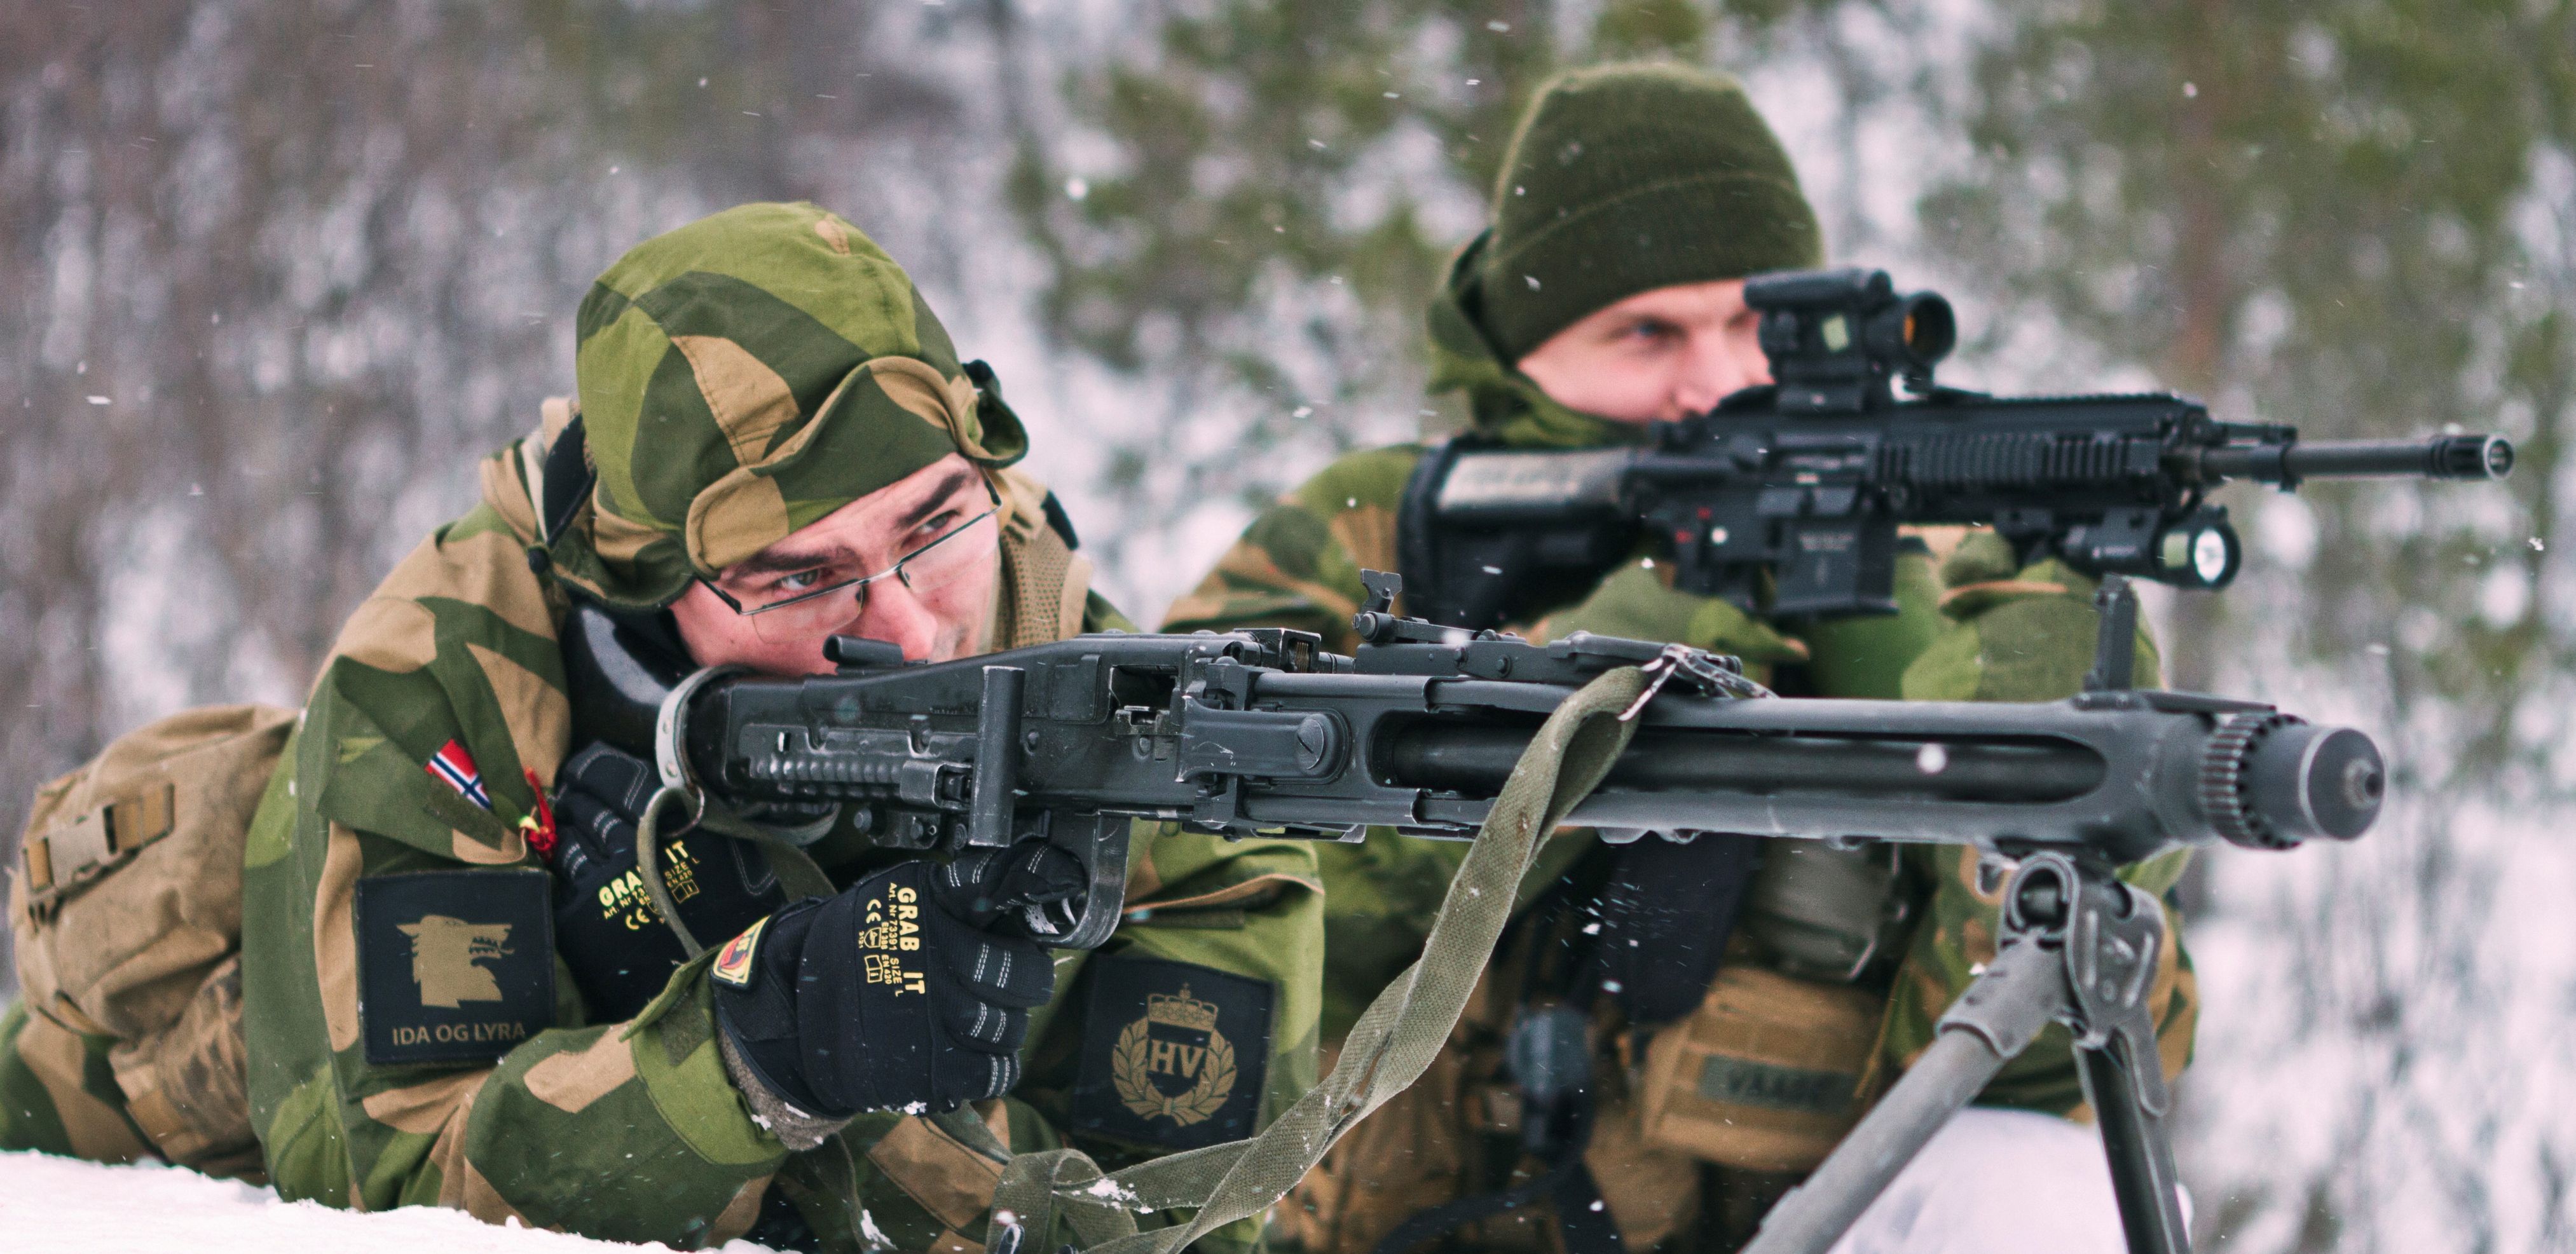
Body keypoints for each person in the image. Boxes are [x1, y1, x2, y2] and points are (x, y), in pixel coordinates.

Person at [2, 203, 1320, 1254]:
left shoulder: (1107, 696)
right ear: (639, 584)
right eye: (802, 577)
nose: (913, 628)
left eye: (934, 528)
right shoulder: (446, 686)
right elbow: (389, 1187)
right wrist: (756, 1051)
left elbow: (1183, 1216)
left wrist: (864, 1116)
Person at [1161, 65, 2195, 1253]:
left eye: (1755, 323)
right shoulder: (1369, 535)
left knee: (2034, 1180)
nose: (1714, 382)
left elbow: (2046, 1076)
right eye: (1647, 332)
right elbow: (1185, 906)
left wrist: (2027, 754)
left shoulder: (1965, 567)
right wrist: (1563, 695)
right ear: (1525, 352)